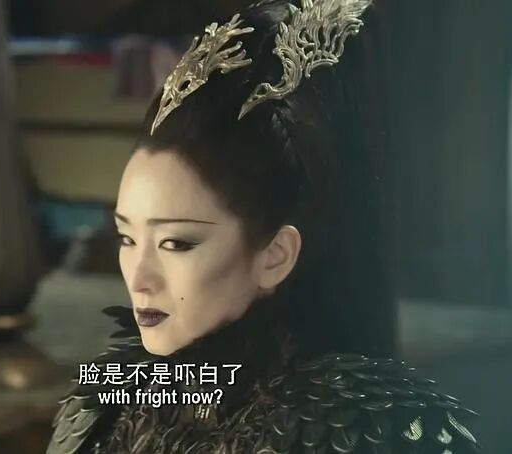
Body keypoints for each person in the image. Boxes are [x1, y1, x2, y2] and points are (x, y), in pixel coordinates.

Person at [46, 1, 480, 453]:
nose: (138, 278)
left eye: (175, 242)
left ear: (275, 255)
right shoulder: (106, 402)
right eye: (127, 238)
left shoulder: (368, 423)